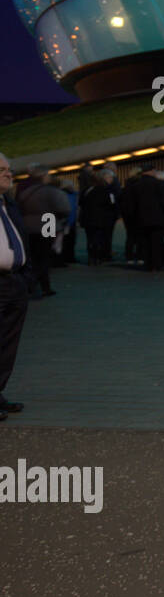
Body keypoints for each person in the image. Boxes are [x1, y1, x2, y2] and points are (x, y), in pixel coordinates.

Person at [0, 152, 33, 420]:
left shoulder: (8, 204)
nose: (8, 174)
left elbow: (21, 240)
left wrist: (26, 276)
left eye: (8, 169)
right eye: (1, 170)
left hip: (14, 282)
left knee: (8, 343)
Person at [16, 165, 68, 298]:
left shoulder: (26, 192)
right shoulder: (51, 191)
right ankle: (43, 285)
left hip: (28, 226)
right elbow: (63, 209)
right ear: (44, 176)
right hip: (48, 222)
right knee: (45, 256)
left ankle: (34, 284)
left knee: (33, 256)